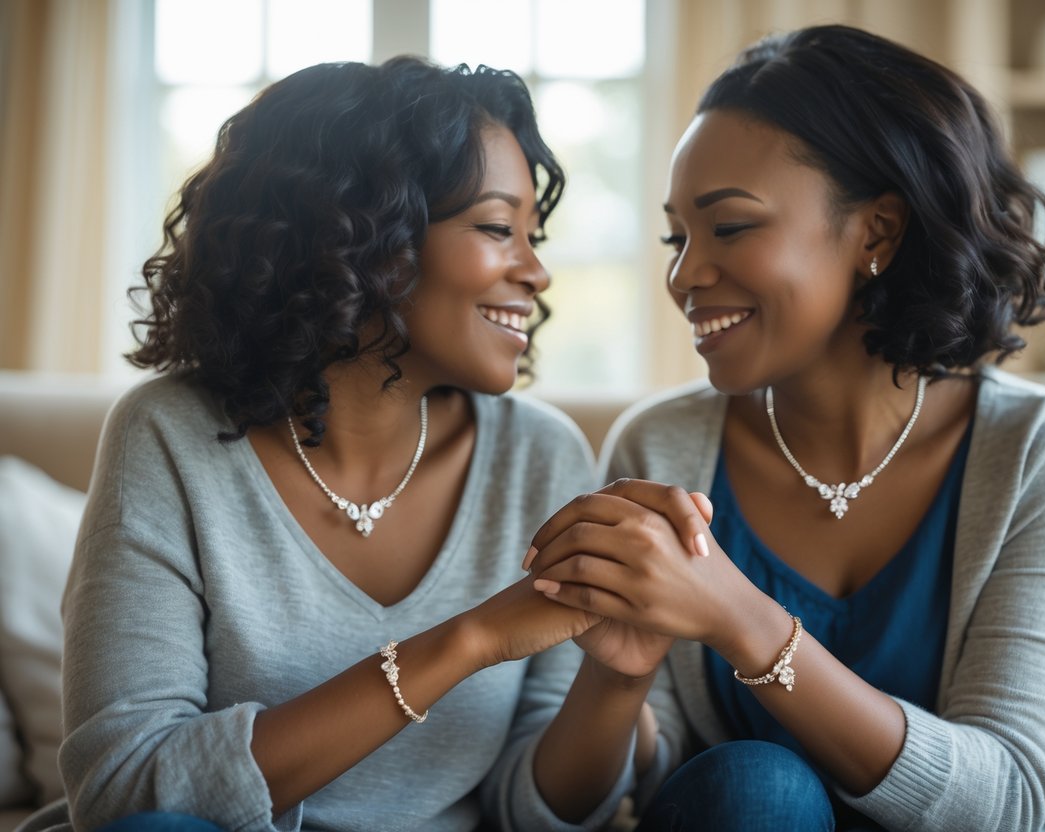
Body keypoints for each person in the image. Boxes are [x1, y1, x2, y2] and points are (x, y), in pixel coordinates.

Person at [20, 57, 655, 832]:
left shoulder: (540, 456)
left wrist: (620, 680)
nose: (537, 272)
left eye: (534, 234)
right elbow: (125, 791)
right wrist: (466, 641)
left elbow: (540, 814)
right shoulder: (167, 435)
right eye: (496, 228)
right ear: (360, 237)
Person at [523, 24, 1045, 832]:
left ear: (875, 232)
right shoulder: (659, 448)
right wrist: (619, 681)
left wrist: (741, 619)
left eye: (728, 227)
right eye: (676, 236)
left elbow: (1007, 801)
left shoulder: (1043, 449)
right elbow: (578, 813)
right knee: (753, 788)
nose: (684, 274)